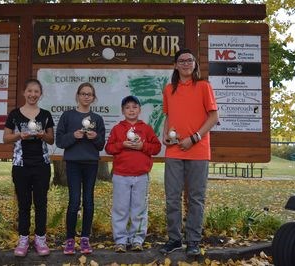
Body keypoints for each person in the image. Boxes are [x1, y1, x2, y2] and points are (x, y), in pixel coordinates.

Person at [159, 48, 219, 256]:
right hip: (174, 151)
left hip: (198, 151)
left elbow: (213, 117)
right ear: (175, 65)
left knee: (196, 198)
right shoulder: (169, 89)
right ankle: (174, 239)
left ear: (195, 64)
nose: (186, 63)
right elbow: (168, 116)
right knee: (172, 197)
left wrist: (194, 138)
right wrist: (166, 134)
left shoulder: (204, 86)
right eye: (181, 61)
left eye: (189, 60)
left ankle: (193, 240)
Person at [3, 78, 55, 257]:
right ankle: (23, 239)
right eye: (30, 91)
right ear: (24, 93)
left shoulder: (46, 114)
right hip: (21, 165)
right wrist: (19, 135)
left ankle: (40, 238)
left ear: (41, 94)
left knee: (41, 203)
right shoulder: (14, 114)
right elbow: (6, 138)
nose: (33, 94)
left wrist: (42, 135)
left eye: (36, 92)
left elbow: (51, 139)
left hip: (42, 165)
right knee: (24, 204)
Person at [105, 95, 161, 253]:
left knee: (139, 209)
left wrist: (142, 146)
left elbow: (156, 148)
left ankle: (137, 239)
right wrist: (122, 144)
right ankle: (121, 240)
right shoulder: (118, 128)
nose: (131, 110)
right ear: (123, 111)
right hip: (121, 175)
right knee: (120, 209)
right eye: (127, 107)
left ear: (139, 110)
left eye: (134, 107)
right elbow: (109, 148)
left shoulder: (146, 128)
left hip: (141, 175)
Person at [56, 82, 106, 255]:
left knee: (88, 201)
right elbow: (60, 141)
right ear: (77, 95)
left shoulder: (97, 119)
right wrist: (74, 136)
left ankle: (85, 238)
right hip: (73, 163)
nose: (86, 96)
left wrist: (95, 136)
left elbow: (101, 145)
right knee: (74, 201)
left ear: (93, 98)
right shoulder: (67, 116)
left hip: (91, 163)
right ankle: (70, 239)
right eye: (83, 93)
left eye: (89, 94)